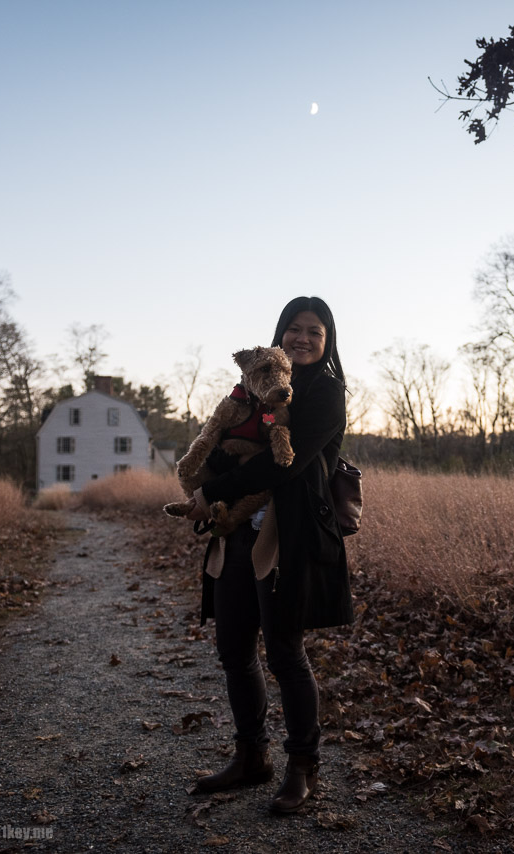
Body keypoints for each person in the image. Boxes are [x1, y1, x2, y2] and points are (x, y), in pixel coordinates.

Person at [184, 296, 351, 814]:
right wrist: (201, 472)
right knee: (234, 649)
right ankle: (251, 757)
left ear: (327, 341)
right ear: (280, 335)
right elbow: (223, 435)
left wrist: (216, 491)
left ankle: (303, 767)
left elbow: (285, 465)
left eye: (314, 332)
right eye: (294, 329)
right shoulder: (254, 384)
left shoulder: (325, 394)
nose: (303, 338)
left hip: (290, 536)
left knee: (284, 653)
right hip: (236, 533)